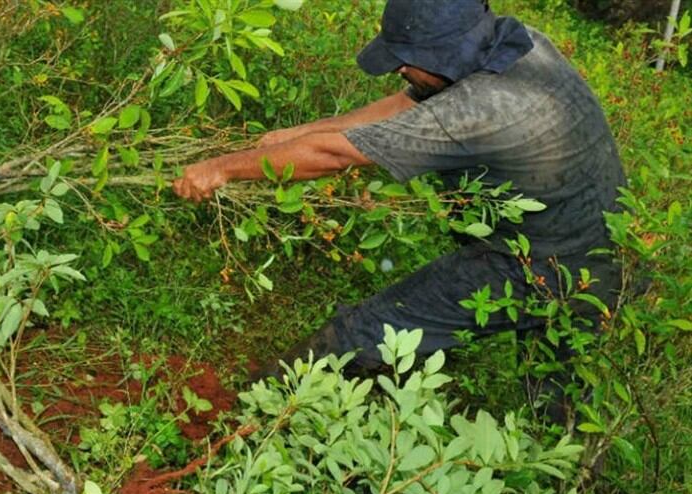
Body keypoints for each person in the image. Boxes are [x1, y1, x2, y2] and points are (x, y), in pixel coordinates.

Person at [172, 0, 625, 386]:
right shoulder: (515, 44)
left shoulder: (483, 109)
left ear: (448, 54)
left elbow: (336, 157)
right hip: (598, 254)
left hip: (542, 264)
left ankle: (257, 410)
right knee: (561, 409)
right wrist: (303, 130)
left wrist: (221, 170)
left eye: (407, 59)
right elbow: (410, 102)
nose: (400, 68)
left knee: (365, 334)